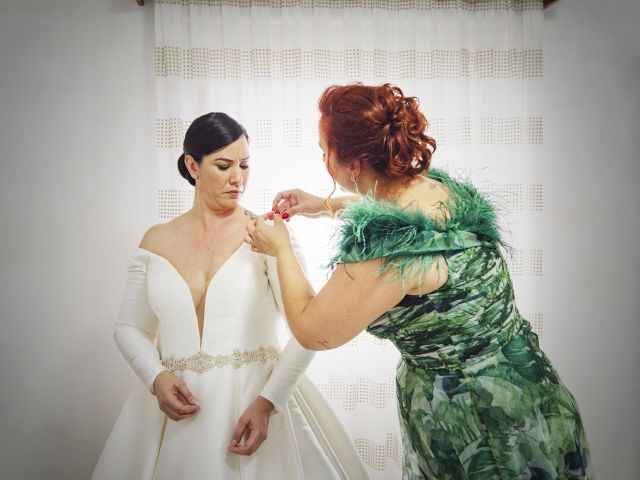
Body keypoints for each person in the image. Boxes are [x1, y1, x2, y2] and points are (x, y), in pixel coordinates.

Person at [247, 84, 593, 479]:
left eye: (324, 152)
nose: (324, 161)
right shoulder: (438, 191)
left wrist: (281, 251)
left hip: (482, 426)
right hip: (532, 391)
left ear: (354, 163)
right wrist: (323, 205)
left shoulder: (389, 249)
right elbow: (396, 212)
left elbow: (314, 331)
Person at [92, 112, 368, 480]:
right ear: (193, 165)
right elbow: (130, 327)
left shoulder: (266, 234)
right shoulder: (155, 241)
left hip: (253, 407)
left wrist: (267, 403)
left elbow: (308, 332)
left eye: (245, 165)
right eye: (223, 166)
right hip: (174, 415)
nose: (238, 178)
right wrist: (155, 377)